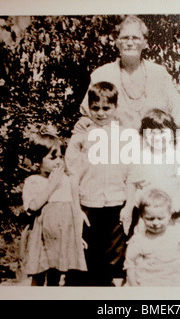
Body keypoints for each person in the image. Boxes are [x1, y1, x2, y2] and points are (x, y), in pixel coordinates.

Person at [73, 15, 180, 132]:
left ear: (145, 43)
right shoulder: (101, 74)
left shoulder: (159, 74)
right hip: (114, 144)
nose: (130, 43)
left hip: (153, 144)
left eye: (135, 38)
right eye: (124, 38)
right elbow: (87, 117)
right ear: (117, 42)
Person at [65, 81, 132, 286]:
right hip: (88, 205)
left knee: (111, 261)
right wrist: (76, 208)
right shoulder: (80, 137)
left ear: (115, 108)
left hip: (116, 204)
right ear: (89, 109)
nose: (101, 113)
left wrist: (129, 206)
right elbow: (73, 175)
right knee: (86, 258)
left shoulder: (125, 137)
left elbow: (132, 174)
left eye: (106, 108)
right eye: (95, 108)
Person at [21, 133, 87, 286]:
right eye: (53, 158)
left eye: (60, 157)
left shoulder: (65, 180)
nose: (58, 162)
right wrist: (52, 184)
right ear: (38, 160)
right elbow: (33, 206)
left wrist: (78, 236)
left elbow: (72, 210)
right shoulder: (33, 181)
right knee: (38, 274)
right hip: (42, 237)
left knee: (56, 275)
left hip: (63, 235)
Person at [120, 109, 180, 237]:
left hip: (173, 219)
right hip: (148, 219)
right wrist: (142, 207)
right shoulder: (140, 158)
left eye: (161, 132)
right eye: (151, 133)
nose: (157, 137)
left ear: (172, 133)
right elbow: (132, 185)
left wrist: (170, 209)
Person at [124, 188, 180, 286]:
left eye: (160, 218)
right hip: (147, 282)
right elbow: (130, 264)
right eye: (150, 219)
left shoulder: (177, 234)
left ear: (169, 215)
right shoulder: (139, 239)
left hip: (173, 281)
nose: (155, 223)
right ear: (142, 216)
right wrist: (134, 286)